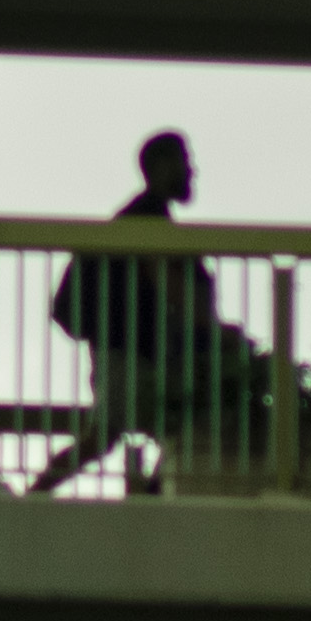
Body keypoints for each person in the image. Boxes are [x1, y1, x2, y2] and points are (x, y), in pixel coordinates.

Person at [42, 128, 263, 491]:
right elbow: (167, 282)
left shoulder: (146, 216)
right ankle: (43, 495)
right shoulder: (144, 219)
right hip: (128, 355)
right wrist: (216, 331)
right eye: (184, 161)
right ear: (160, 166)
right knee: (158, 426)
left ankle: (141, 490)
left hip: (136, 354)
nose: (191, 171)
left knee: (121, 433)